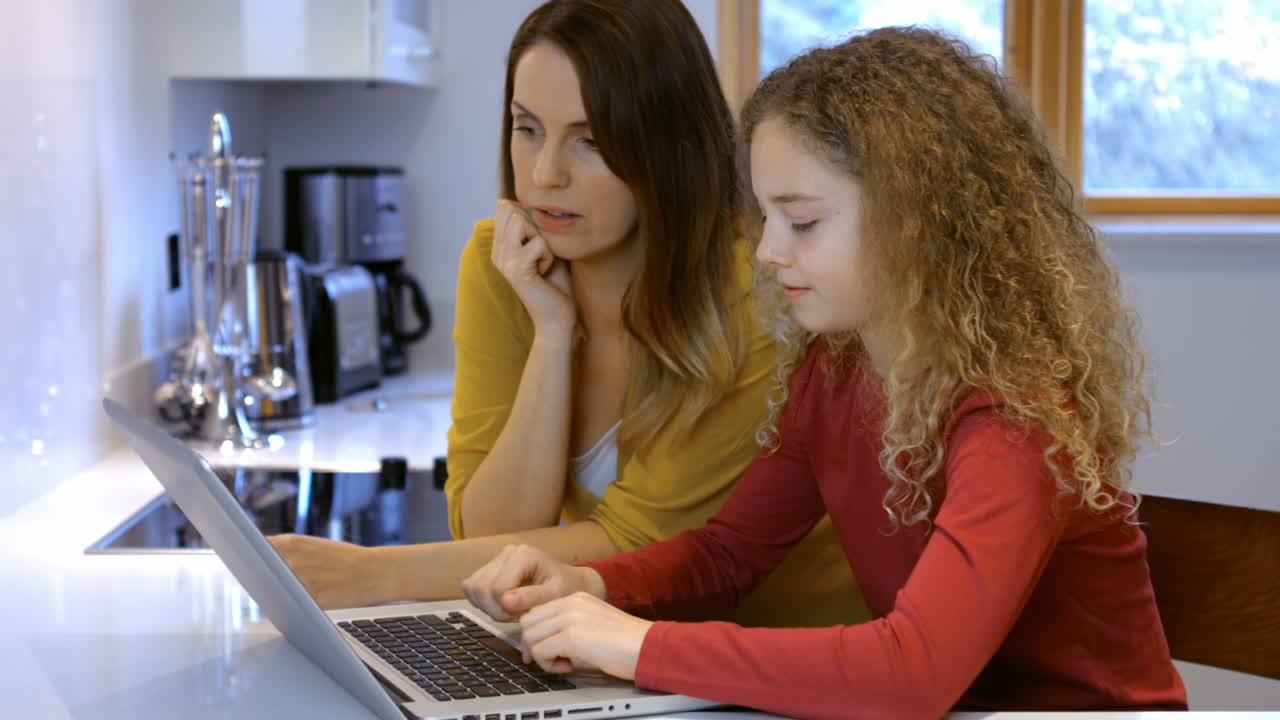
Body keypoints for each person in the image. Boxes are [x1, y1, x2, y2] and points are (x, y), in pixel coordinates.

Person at [460, 26, 1190, 718]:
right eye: (765, 217)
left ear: (914, 226)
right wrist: (589, 584)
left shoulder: (1015, 418)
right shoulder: (835, 371)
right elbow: (729, 553)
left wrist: (636, 644)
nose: (769, 251)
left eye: (801, 222)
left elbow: (912, 674)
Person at [268, 0, 868, 631]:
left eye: (591, 141)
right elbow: (491, 535)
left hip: (788, 661)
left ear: (668, 145)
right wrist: (553, 336)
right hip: (627, 654)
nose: (545, 175)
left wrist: (377, 575)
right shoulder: (505, 267)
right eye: (527, 129)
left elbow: (637, 541)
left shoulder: (756, 289)